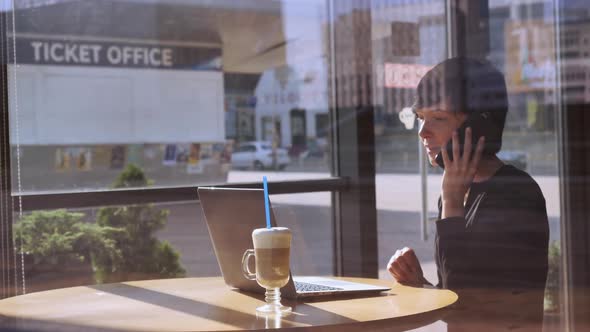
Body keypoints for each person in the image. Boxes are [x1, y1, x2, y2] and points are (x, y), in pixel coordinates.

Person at [387, 57, 549, 329]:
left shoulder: (515, 192)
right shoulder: (458, 191)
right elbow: (458, 296)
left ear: (478, 125)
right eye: (421, 118)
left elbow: (468, 309)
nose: (423, 132)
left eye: (437, 118)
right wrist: (420, 284)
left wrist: (451, 203)